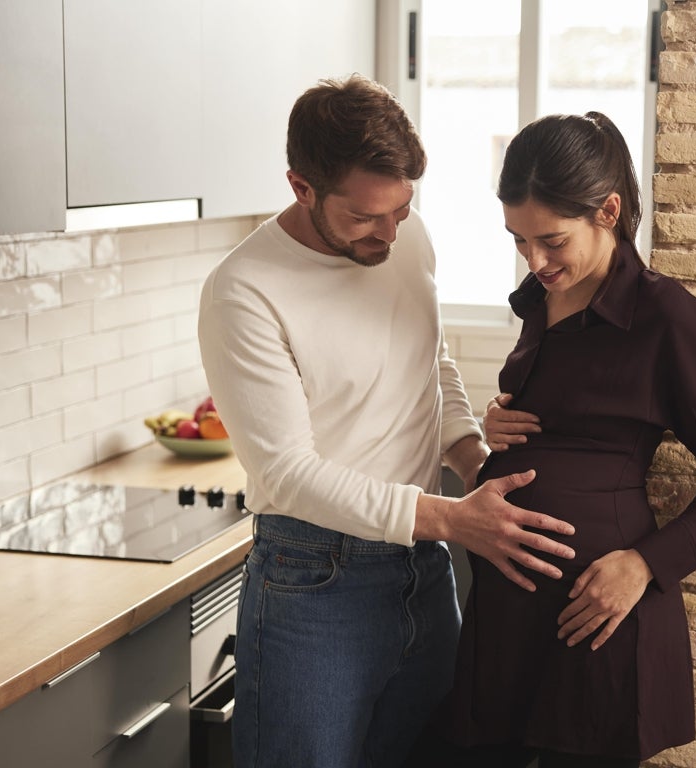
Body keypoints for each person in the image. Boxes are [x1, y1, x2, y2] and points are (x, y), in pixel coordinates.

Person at [197, 75, 580, 768]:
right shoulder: (244, 290)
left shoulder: (409, 239)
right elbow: (290, 473)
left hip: (422, 575)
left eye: (403, 209)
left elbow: (428, 365)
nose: (389, 233)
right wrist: (453, 519)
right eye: (366, 217)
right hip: (314, 585)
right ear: (301, 186)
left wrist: (470, 454)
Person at [409, 112, 696, 767]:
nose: (535, 261)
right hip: (507, 622)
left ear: (608, 211)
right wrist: (506, 421)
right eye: (519, 240)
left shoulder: (663, 317)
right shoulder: (541, 300)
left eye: (551, 240)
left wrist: (646, 564)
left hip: (595, 617)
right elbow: (579, 419)